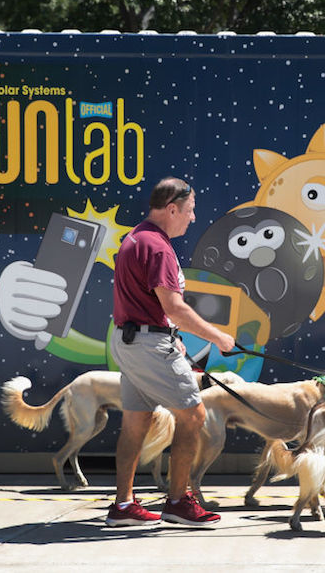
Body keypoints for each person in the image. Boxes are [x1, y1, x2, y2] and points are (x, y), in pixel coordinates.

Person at [106, 177, 236, 528]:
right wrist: (219, 337)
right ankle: (178, 502)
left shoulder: (136, 237)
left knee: (136, 421)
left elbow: (149, 304)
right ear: (172, 208)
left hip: (132, 340)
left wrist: (168, 331)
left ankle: (122, 506)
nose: (192, 219)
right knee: (193, 417)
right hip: (148, 344)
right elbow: (175, 307)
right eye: (190, 211)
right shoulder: (158, 247)